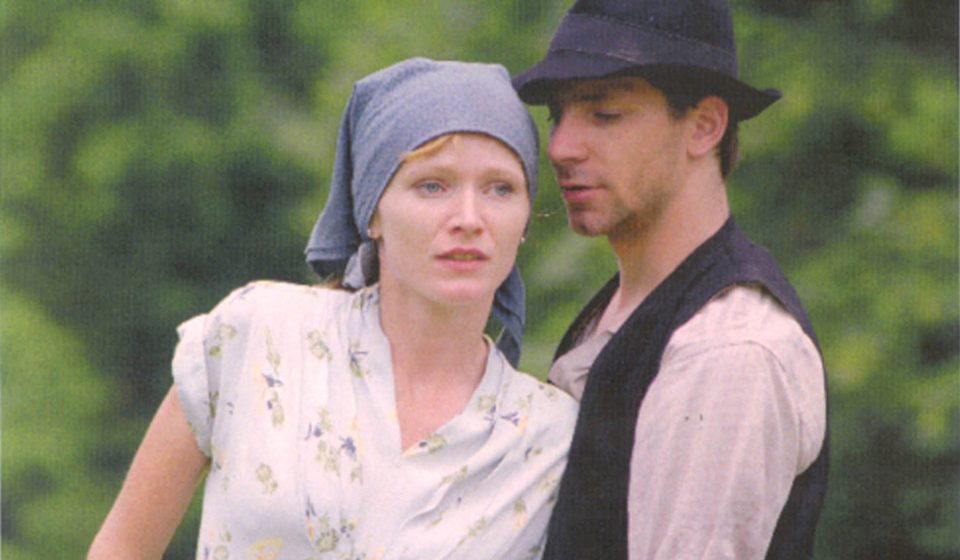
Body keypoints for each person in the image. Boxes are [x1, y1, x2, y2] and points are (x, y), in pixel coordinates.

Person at [89, 57, 578, 559]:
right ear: (372, 212)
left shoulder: (552, 438)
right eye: (432, 185)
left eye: (500, 188)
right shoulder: (258, 335)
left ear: (524, 219)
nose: (469, 218)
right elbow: (121, 549)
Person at [511, 1, 828, 559]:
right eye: (557, 116)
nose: (560, 147)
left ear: (704, 126)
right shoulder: (629, 309)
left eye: (604, 114)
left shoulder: (727, 347)